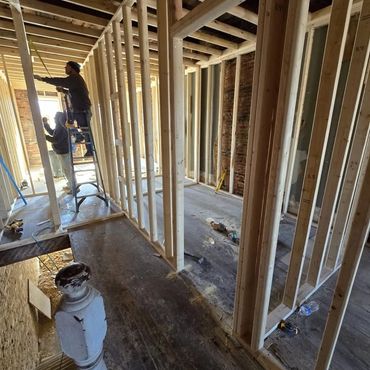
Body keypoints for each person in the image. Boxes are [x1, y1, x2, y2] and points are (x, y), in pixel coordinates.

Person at [34, 61, 93, 156]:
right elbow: (75, 93)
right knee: (65, 119)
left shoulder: (75, 78)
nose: (65, 68)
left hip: (82, 109)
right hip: (79, 109)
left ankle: (83, 142)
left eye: (66, 67)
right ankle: (80, 139)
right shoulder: (76, 80)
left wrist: (42, 79)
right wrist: (63, 90)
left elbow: (61, 81)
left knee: (67, 121)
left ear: (72, 68)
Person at [44, 112, 74, 194]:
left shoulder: (62, 128)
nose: (53, 119)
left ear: (58, 119)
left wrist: (44, 137)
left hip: (64, 152)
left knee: (67, 170)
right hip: (61, 152)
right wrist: (45, 124)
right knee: (66, 170)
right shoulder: (59, 127)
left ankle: (74, 188)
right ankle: (71, 185)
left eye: (55, 117)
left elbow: (55, 140)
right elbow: (52, 132)